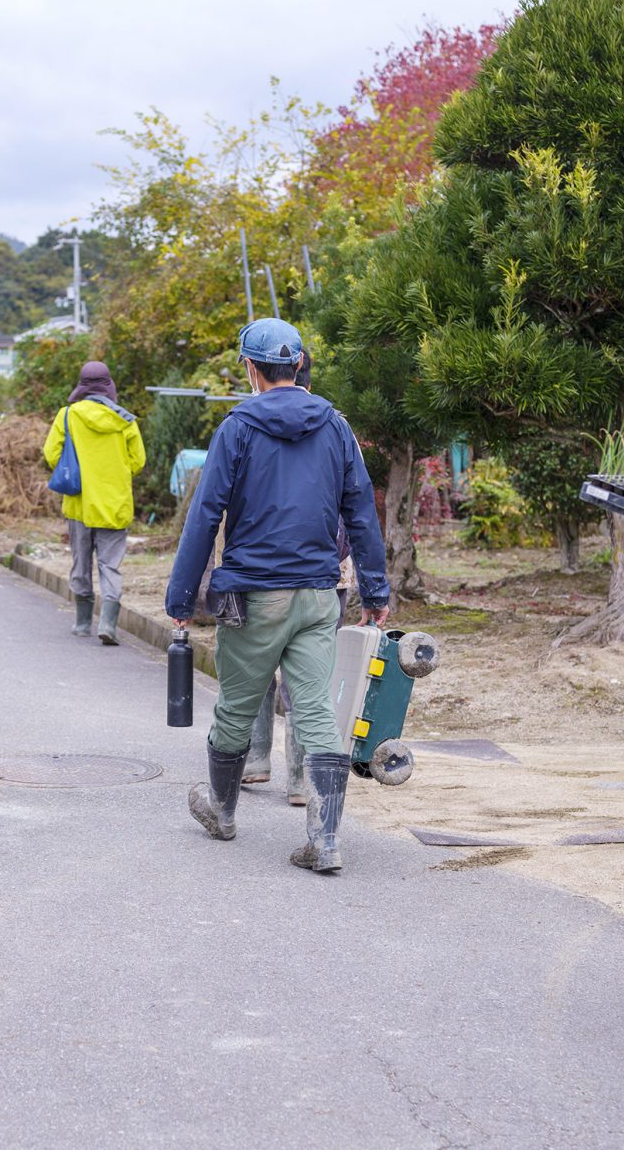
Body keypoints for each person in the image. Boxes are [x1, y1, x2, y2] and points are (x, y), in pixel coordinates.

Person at [166, 318, 389, 874]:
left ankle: (221, 811)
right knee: (314, 709)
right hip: (319, 594)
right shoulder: (336, 426)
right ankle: (326, 838)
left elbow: (205, 516)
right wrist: (376, 590)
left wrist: (180, 599)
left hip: (253, 594)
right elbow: (360, 512)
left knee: (238, 707)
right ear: (297, 364)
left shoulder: (237, 427)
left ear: (250, 368)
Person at [241, 347, 357, 806]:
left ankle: (254, 760)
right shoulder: (335, 423)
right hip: (329, 569)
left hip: (265, 569)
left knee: (256, 667)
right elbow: (356, 502)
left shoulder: (250, 421)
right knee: (309, 678)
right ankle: (300, 780)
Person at [42, 361, 145, 644]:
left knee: (80, 563)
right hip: (114, 505)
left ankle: (82, 622)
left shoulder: (67, 416)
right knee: (110, 566)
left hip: (79, 504)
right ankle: (108, 624)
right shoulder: (126, 421)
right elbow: (138, 461)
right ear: (109, 386)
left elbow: (51, 455)